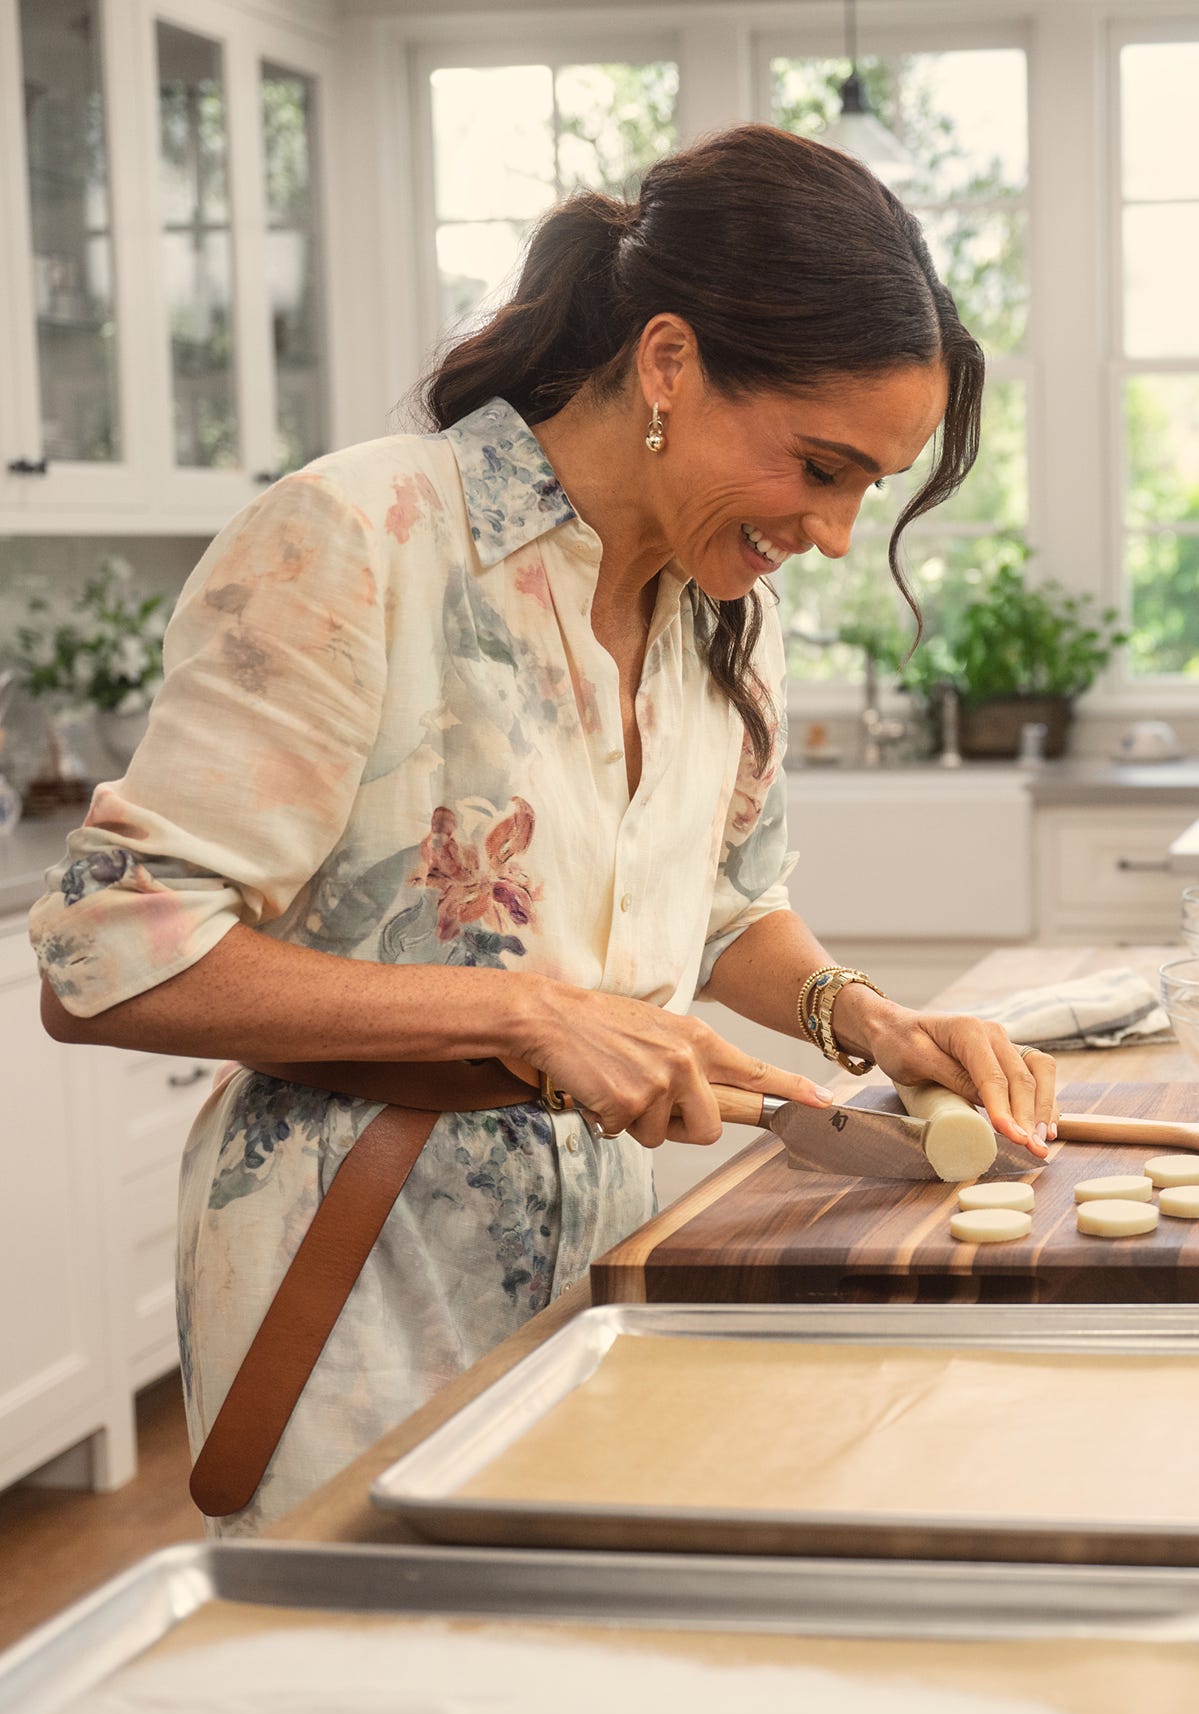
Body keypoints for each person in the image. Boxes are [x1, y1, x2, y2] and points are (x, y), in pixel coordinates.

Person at [31, 123, 1056, 1534]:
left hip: (618, 1258)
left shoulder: (723, 620)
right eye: (820, 466)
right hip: (359, 1282)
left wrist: (858, 1015)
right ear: (669, 362)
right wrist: (523, 1016)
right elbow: (106, 957)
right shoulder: (362, 538)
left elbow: (717, 904)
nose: (832, 533)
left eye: (865, 488)